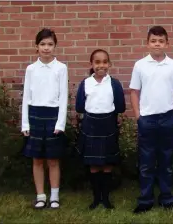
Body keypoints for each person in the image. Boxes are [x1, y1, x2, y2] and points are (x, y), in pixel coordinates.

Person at [129, 25, 173, 214]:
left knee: (166, 162)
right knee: (146, 162)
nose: (157, 44)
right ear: (147, 43)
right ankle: (145, 200)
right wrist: (138, 117)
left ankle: (167, 199)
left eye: (161, 41)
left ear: (167, 44)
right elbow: (134, 92)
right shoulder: (140, 65)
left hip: (168, 118)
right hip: (147, 119)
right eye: (153, 41)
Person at [21, 28, 68, 209]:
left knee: (53, 159)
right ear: (36, 47)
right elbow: (26, 97)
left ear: (55, 46)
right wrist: (25, 122)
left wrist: (60, 123)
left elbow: (63, 96)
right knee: (37, 159)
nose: (46, 48)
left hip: (53, 115)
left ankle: (54, 195)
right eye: (42, 44)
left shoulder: (61, 68)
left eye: (50, 44)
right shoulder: (31, 69)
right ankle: (41, 195)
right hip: (35, 115)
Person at [75, 49, 126, 210]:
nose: (101, 65)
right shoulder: (86, 83)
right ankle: (96, 198)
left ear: (109, 64)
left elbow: (121, 106)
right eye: (97, 62)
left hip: (108, 124)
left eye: (104, 62)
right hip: (91, 124)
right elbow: (79, 107)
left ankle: (106, 198)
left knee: (107, 163)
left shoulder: (114, 84)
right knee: (94, 164)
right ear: (91, 64)